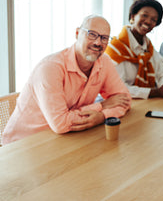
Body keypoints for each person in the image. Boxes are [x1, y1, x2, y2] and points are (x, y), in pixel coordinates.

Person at [2, 15, 131, 145]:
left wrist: (102, 116)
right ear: (77, 33)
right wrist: (102, 106)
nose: (98, 43)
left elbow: (125, 100)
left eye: (104, 38)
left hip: (66, 139)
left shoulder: (104, 61)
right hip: (23, 145)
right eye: (92, 34)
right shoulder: (50, 67)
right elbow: (61, 124)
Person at [105, 0, 163, 99]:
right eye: (144, 15)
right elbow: (118, 87)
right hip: (119, 101)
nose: (148, 22)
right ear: (133, 16)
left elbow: (162, 72)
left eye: (153, 20)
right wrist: (155, 92)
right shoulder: (115, 50)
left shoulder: (149, 48)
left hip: (145, 103)